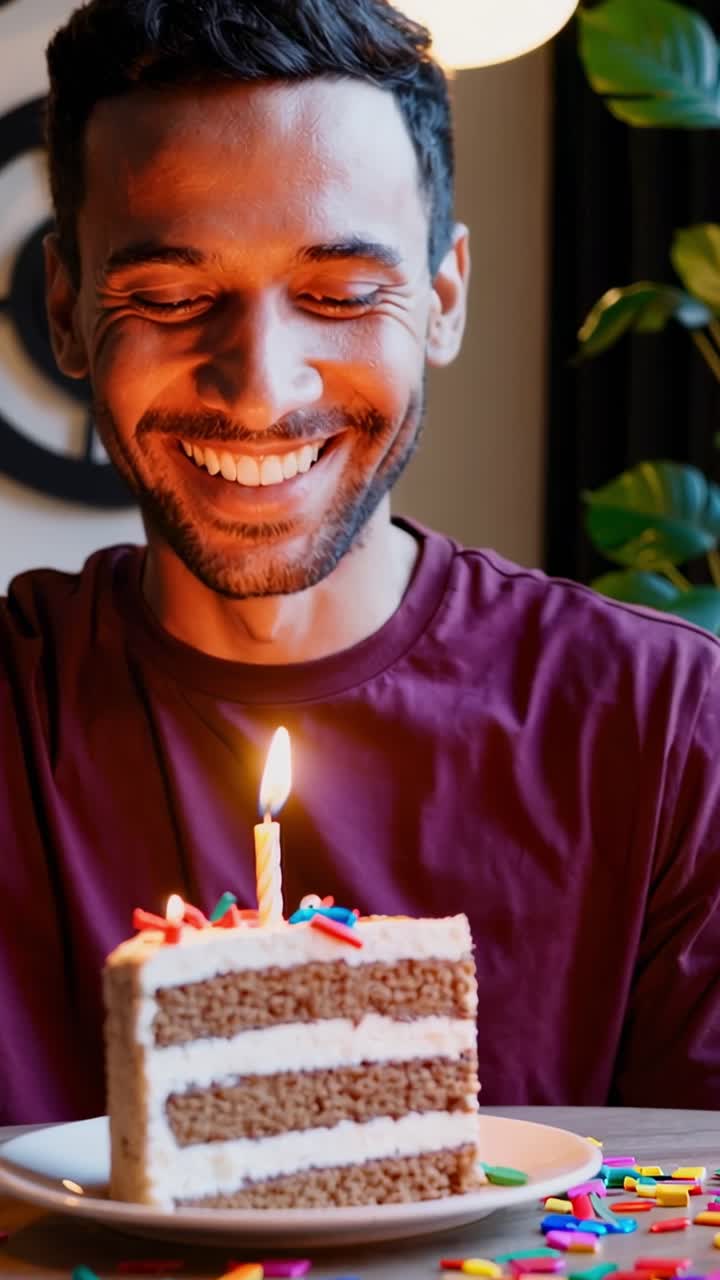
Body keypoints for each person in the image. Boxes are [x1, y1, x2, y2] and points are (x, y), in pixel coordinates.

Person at [2, 0, 719, 1127]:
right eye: (174, 298)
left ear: (441, 297)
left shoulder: (667, 726)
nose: (263, 387)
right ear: (68, 310)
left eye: (339, 295)